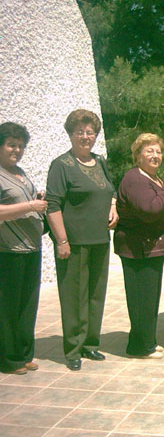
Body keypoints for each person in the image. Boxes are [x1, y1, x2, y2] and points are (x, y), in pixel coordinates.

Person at [46, 109, 118, 371]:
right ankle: (73, 348)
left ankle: (90, 344)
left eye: (90, 132)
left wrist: (114, 205)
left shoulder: (100, 161)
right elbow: (52, 204)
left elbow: (110, 190)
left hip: (100, 239)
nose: (86, 136)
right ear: (71, 134)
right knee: (74, 296)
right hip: (74, 243)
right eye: (80, 132)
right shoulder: (61, 165)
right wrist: (61, 241)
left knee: (96, 294)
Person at [114, 133, 164, 359]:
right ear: (138, 155)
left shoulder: (152, 177)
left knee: (150, 296)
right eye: (149, 151)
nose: (155, 155)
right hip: (136, 248)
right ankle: (140, 346)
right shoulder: (135, 179)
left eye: (159, 151)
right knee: (141, 297)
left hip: (150, 247)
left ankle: (147, 340)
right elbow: (150, 209)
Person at [0, 122, 47, 375]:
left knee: (28, 304)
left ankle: (25, 353)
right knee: (8, 307)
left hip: (31, 249)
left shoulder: (20, 172)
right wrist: (29, 206)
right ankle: (9, 359)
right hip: (7, 251)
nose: (16, 150)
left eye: (20, 146)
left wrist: (36, 199)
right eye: (11, 145)